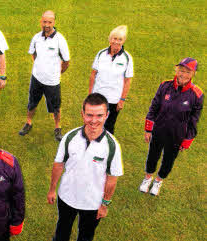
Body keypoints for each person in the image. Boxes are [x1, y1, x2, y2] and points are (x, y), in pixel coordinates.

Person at [47, 93, 123, 241]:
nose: (94, 121)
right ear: (82, 114)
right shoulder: (70, 137)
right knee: (62, 232)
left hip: (92, 203)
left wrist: (104, 204)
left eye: (99, 115)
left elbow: (112, 179)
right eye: (89, 115)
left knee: (86, 236)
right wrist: (52, 190)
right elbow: (58, 165)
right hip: (66, 197)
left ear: (107, 115)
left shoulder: (112, 145)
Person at [140, 58, 203, 196]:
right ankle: (147, 178)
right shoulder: (164, 86)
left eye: (187, 72)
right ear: (176, 70)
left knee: (169, 159)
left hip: (177, 135)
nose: (183, 74)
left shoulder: (197, 95)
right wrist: (148, 129)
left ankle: (158, 181)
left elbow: (194, 120)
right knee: (152, 155)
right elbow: (154, 107)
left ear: (193, 74)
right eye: (181, 70)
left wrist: (187, 140)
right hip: (159, 130)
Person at [18, 10, 70, 141]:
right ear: (41, 21)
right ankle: (28, 123)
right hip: (36, 78)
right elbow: (33, 54)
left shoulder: (60, 40)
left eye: (50, 22)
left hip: (52, 82)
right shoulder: (36, 37)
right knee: (32, 103)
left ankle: (58, 127)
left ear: (54, 22)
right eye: (44, 22)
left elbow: (66, 61)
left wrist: (57, 73)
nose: (47, 25)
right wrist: (39, 67)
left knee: (56, 107)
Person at [88, 25, 133, 134]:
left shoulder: (127, 58)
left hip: (114, 99)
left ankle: (106, 149)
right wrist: (90, 94)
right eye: (114, 38)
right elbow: (93, 75)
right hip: (98, 97)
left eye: (120, 39)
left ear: (124, 41)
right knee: (93, 123)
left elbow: (127, 81)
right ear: (110, 39)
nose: (116, 42)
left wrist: (122, 100)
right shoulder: (101, 54)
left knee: (109, 127)